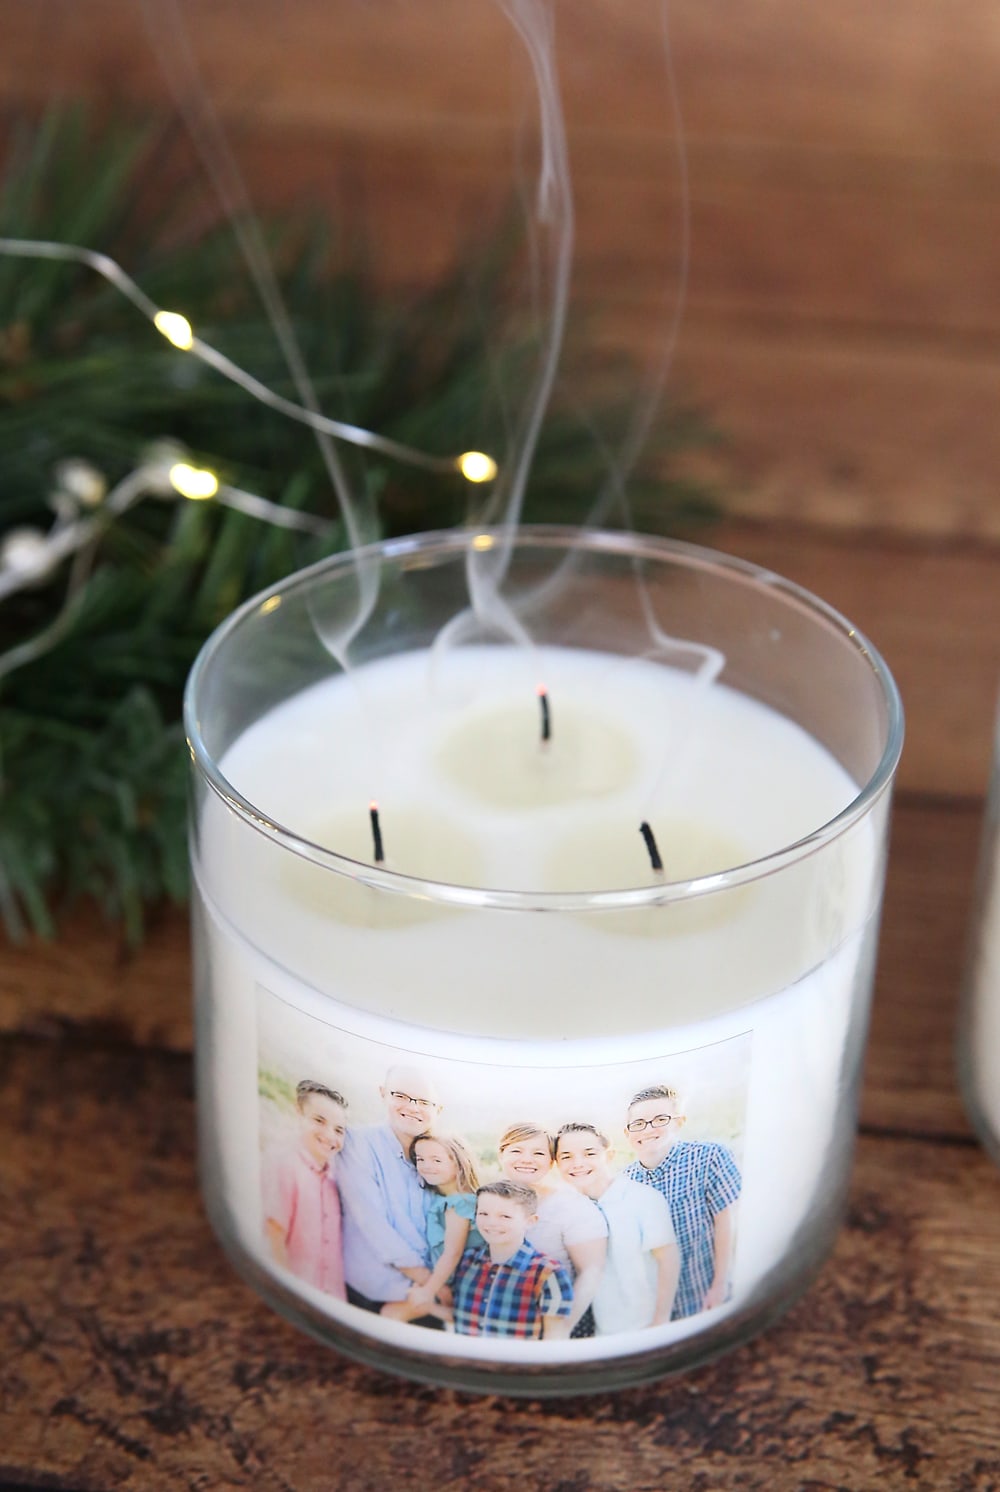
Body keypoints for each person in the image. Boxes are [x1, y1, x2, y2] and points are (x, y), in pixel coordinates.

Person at [623, 1084, 741, 1319]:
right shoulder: (624, 1182)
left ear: (679, 1122)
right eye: (639, 1123)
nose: (648, 1129)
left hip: (708, 1296)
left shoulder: (710, 1156)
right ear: (627, 1133)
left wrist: (720, 1285)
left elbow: (727, 1224)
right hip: (658, 1312)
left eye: (660, 1119)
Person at [555, 1121, 679, 1334]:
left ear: (609, 1155)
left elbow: (668, 1259)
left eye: (589, 1153)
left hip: (644, 1327)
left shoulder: (642, 1198)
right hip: (599, 1332)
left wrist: (660, 1320)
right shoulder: (567, 1207)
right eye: (566, 1156)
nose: (578, 1163)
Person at [336, 1064, 442, 1315]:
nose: (413, 1107)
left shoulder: (438, 1158)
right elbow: (372, 1223)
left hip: (424, 1301)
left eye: (424, 1102)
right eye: (401, 1096)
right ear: (383, 1093)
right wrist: (434, 1285)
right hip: (370, 1297)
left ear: (438, 1109)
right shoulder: (357, 1143)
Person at [497, 1122, 607, 1336]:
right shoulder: (489, 1198)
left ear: (551, 1162)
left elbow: (592, 1271)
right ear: (501, 1154)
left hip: (557, 1322)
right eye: (516, 1150)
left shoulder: (570, 1205)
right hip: (504, 1320)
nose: (526, 1159)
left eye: (538, 1153)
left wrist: (560, 1330)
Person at [381, 1133, 484, 1325]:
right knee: (390, 1312)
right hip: (447, 1281)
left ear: (459, 1164)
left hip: (467, 1281)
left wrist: (428, 1291)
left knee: (391, 1314)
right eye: (421, 1159)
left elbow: (453, 1253)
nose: (427, 1166)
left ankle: (440, 1312)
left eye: (437, 1160)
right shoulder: (439, 1199)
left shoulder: (461, 1202)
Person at [261, 1079, 348, 1299]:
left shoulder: (334, 1178)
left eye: (339, 1130)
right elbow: (273, 1238)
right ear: (299, 1115)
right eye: (319, 1120)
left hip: (333, 1300)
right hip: (298, 1298)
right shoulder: (284, 1164)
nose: (330, 1135)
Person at [452, 1181, 573, 1339]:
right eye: (483, 1214)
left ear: (530, 1221)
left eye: (505, 1216)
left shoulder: (549, 1273)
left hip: (516, 1362)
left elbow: (554, 1339)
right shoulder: (467, 1260)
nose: (492, 1223)